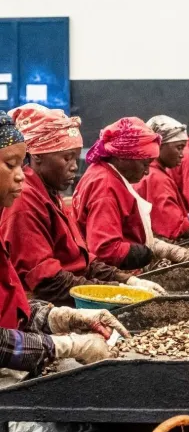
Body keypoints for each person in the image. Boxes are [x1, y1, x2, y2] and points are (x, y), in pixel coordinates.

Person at [0, 105, 164, 307]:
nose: (74, 166)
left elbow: (81, 259)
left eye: (75, 157)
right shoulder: (24, 201)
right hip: (52, 306)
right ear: (37, 156)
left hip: (70, 294)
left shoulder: (50, 194)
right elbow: (47, 282)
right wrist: (113, 292)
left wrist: (125, 280)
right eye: (66, 158)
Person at [0, 112, 123, 373]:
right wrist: (62, 346)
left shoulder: (49, 195)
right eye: (10, 165)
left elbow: (11, 307)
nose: (21, 175)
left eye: (20, 165)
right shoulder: (23, 204)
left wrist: (59, 318)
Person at [73, 117, 189, 270]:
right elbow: (106, 250)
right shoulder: (105, 187)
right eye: (144, 164)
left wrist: (154, 245)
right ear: (123, 158)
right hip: (113, 275)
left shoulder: (106, 174)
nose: (146, 171)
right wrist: (148, 252)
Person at [135, 115, 189, 242]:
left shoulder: (150, 172)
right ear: (159, 145)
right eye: (178, 148)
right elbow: (175, 227)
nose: (182, 155)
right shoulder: (156, 178)